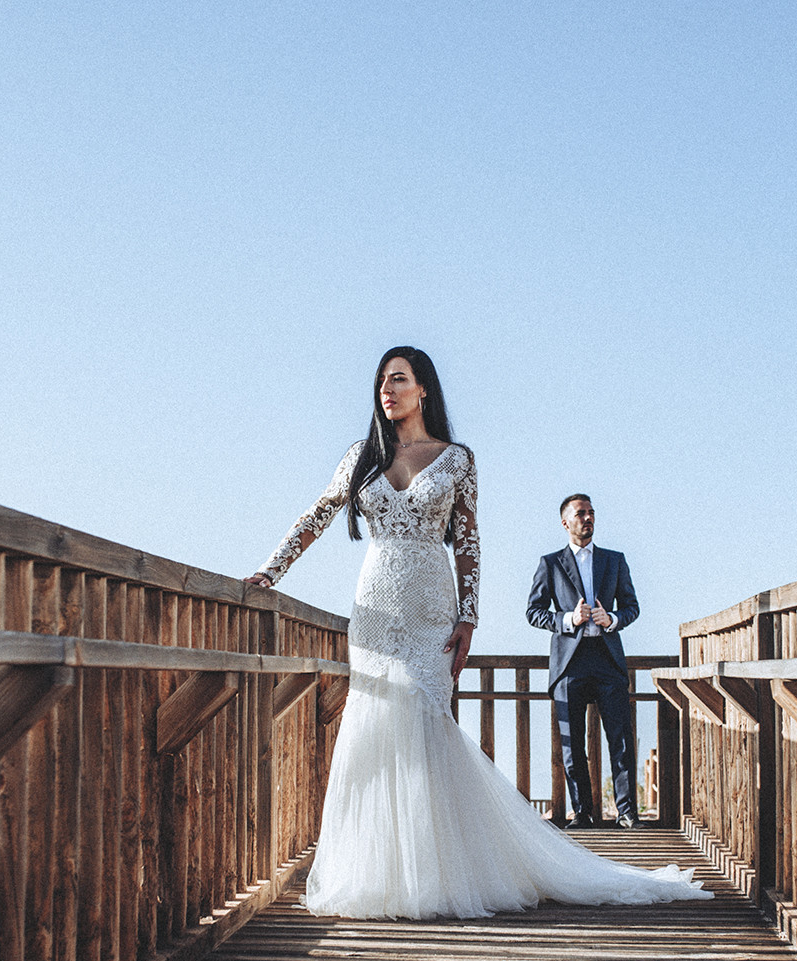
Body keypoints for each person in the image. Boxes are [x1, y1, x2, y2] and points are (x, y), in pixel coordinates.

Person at [247, 347, 707, 920]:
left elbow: (467, 543)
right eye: (381, 382)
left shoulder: (456, 459)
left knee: (426, 720)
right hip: (373, 609)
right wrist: (270, 571)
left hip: (431, 606)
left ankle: (442, 871)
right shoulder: (361, 455)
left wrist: (469, 618)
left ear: (423, 390)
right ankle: (383, 873)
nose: (386, 391)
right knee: (373, 726)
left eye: (399, 380)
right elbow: (317, 514)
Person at [526, 494, 641, 829]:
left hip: (607, 659)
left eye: (591, 513)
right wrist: (567, 619)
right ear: (566, 522)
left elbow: (632, 606)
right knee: (572, 744)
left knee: (620, 740)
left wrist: (614, 619)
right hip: (569, 663)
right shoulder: (550, 563)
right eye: (580, 514)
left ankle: (627, 812)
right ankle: (584, 812)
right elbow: (533, 612)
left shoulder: (615, 560)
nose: (587, 518)